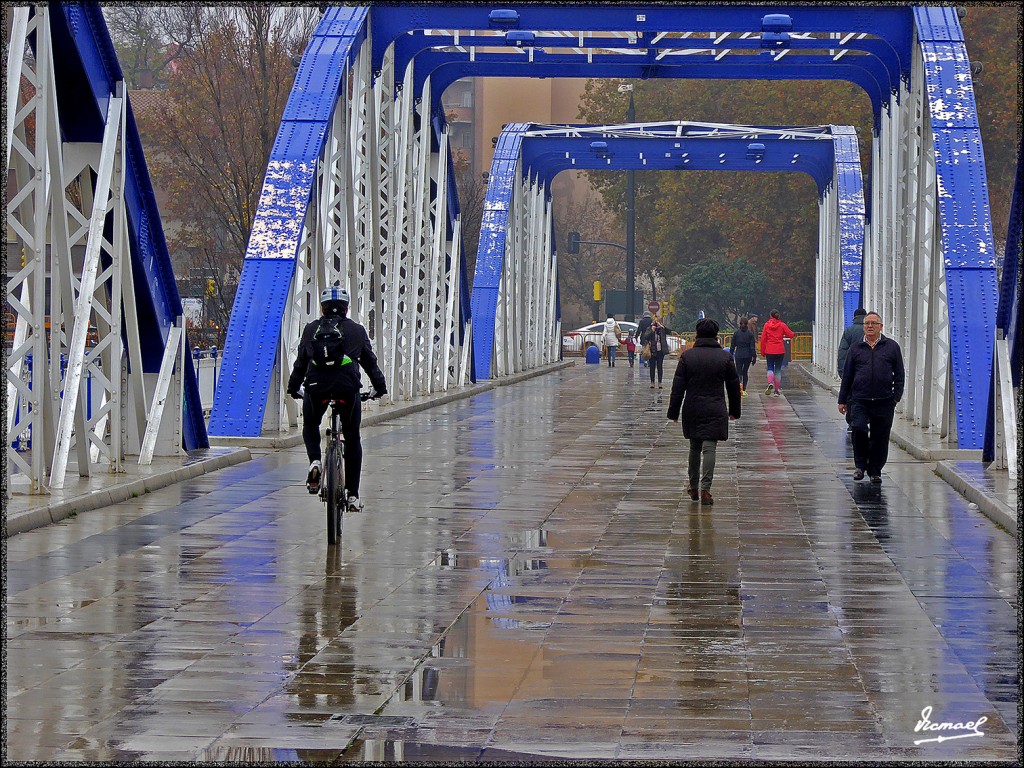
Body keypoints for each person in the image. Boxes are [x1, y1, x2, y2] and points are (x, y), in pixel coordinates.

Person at [287, 286, 388, 510]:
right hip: (346, 389)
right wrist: (379, 388)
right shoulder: (356, 330)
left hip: (316, 388)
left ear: (322, 308)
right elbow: (370, 364)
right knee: (352, 438)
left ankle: (315, 461)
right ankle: (352, 495)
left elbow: (300, 364)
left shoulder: (311, 329)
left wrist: (294, 388)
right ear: (346, 308)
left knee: (311, 425)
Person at [667, 317, 742, 506]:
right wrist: (734, 411)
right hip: (716, 407)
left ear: (697, 334)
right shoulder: (725, 358)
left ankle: (692, 487)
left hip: (692, 406)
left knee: (694, 446)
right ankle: (706, 490)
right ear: (716, 336)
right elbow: (733, 387)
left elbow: (678, 387)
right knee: (710, 447)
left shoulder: (687, 356)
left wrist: (673, 412)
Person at [837, 311, 905, 484]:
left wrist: (896, 396)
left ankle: (875, 470)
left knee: (880, 436)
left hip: (884, 400)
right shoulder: (856, 348)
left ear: (881, 327)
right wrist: (842, 399)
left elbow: (899, 374)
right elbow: (848, 375)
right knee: (858, 429)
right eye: (867, 323)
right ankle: (860, 466)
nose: (869, 326)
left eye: (874, 323)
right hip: (860, 398)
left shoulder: (892, 347)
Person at [837, 308, 867, 431]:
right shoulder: (871, 330)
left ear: (854, 317)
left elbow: (842, 352)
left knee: (851, 396)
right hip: (867, 370)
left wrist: (841, 371)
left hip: (851, 370)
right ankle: (866, 419)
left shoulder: (849, 331)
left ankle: (852, 421)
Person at [759, 309, 795, 397]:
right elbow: (791, 335)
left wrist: (763, 351)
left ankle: (770, 382)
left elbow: (763, 339)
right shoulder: (782, 325)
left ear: (770, 316)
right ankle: (776, 390)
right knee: (778, 369)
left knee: (770, 367)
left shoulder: (767, 325)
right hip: (780, 350)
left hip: (769, 350)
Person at [730, 316, 758, 397]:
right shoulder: (750, 334)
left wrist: (730, 355)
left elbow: (732, 346)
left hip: (738, 354)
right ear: (747, 324)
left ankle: (739, 387)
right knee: (745, 372)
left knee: (739, 372)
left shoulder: (736, 333)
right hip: (747, 355)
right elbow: (752, 347)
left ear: (740, 324)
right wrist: (754, 357)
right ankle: (744, 389)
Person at [642, 315, 672, 389]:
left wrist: (662, 326)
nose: (656, 323)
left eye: (657, 321)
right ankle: (652, 382)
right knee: (652, 367)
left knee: (660, 366)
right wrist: (652, 330)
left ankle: (660, 382)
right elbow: (645, 336)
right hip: (652, 350)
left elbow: (669, 331)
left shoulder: (662, 329)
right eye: (655, 321)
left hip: (660, 350)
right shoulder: (650, 328)